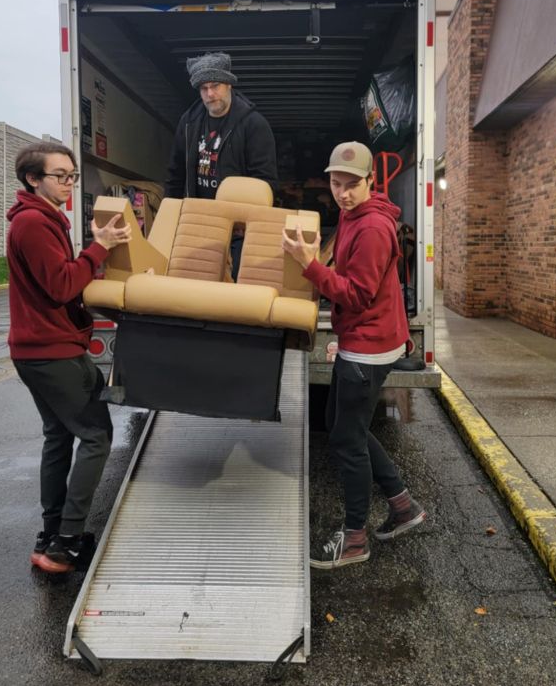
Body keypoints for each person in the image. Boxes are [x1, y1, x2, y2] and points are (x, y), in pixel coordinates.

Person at [282, 141, 426, 569]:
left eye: (351, 184)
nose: (342, 192)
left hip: (369, 346)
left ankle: (355, 538)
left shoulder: (373, 228)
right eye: (335, 182)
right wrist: (341, 335)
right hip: (362, 339)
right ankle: (402, 506)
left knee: (347, 439)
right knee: (345, 427)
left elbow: (358, 294)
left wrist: (309, 265)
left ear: (370, 182)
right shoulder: (351, 216)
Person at [7, 141, 131, 574]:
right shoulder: (33, 225)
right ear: (33, 178)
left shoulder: (44, 219)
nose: (69, 183)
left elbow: (60, 280)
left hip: (41, 349)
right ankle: (67, 543)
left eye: (72, 176)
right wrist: (98, 249)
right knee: (96, 435)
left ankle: (52, 535)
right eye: (60, 175)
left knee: (59, 436)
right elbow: (61, 286)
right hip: (51, 351)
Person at [164, 51, 277, 277]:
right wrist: (170, 219)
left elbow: (266, 183)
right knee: (195, 288)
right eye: (203, 88)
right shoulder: (189, 122)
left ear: (228, 84)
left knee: (235, 289)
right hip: (199, 223)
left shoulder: (253, 124)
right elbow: (175, 174)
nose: (210, 94)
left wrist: (249, 223)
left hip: (238, 229)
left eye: (215, 85)